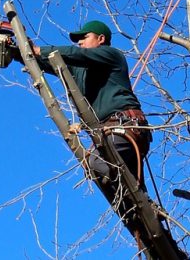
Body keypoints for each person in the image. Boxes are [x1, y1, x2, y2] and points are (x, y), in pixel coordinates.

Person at [11, 20, 153, 238]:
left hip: (124, 127)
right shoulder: (79, 70)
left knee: (97, 163)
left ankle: (144, 207)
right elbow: (47, 62)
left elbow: (74, 55)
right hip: (109, 135)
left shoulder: (111, 55)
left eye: (83, 38)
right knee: (128, 202)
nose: (79, 43)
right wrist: (17, 49)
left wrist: (40, 49)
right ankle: (148, 222)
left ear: (101, 39)